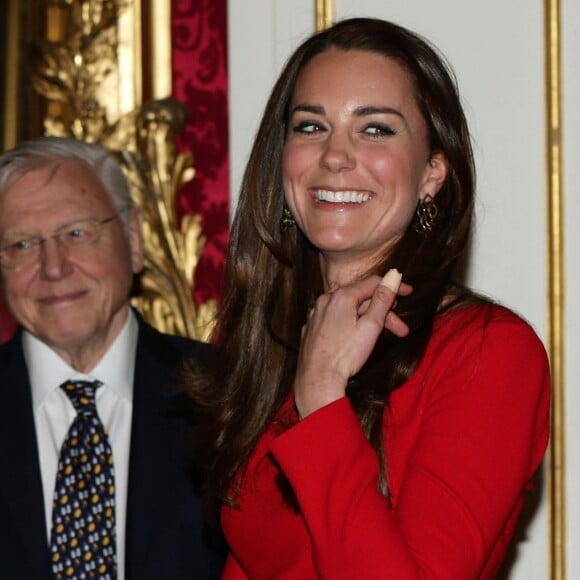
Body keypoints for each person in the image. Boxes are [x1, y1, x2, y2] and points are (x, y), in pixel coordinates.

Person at [186, 17, 551, 579]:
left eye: (375, 129)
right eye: (310, 126)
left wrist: (323, 398)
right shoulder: (256, 339)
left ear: (433, 173)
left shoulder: (490, 354)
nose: (335, 156)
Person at [0, 136, 224, 579]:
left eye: (77, 233)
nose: (54, 267)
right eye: (22, 244)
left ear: (133, 239)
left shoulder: (229, 396)